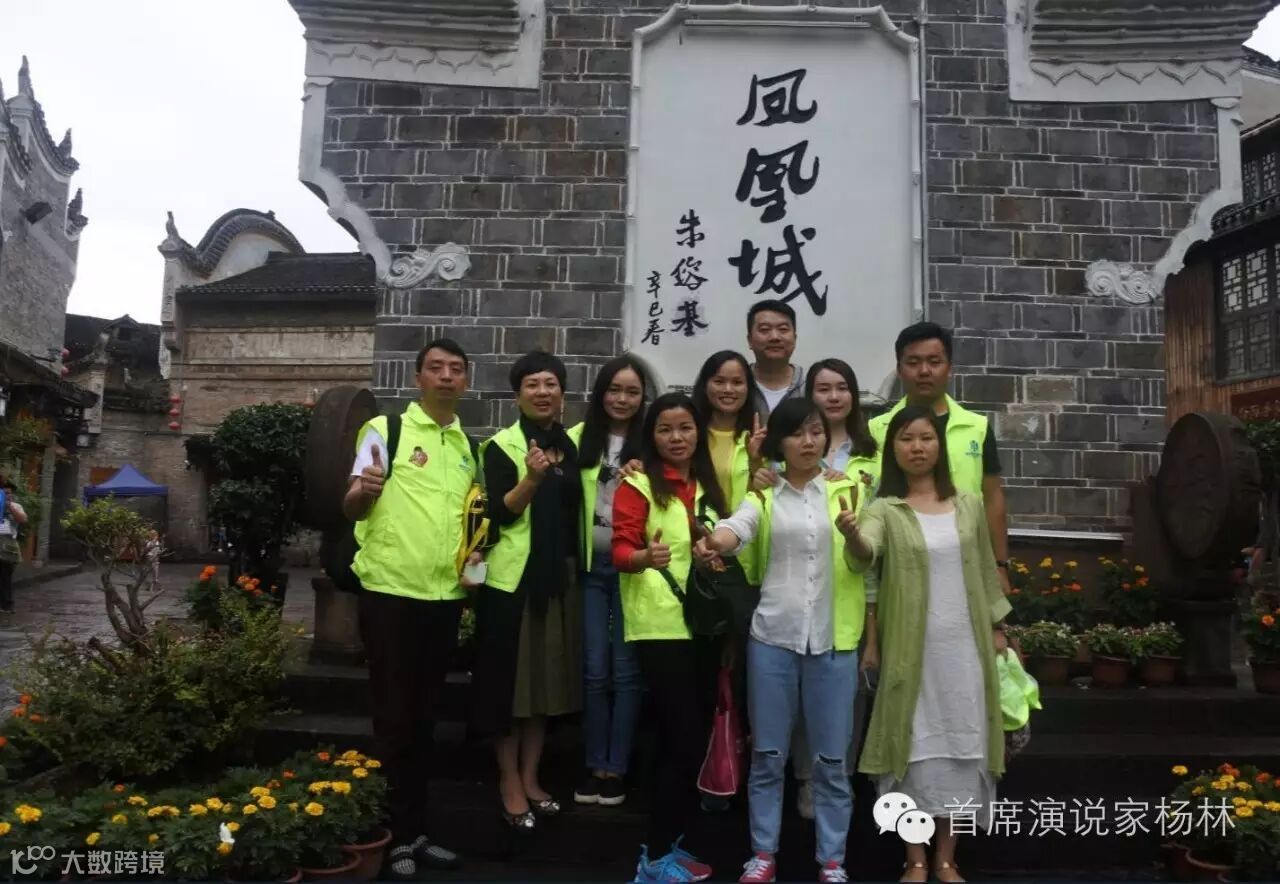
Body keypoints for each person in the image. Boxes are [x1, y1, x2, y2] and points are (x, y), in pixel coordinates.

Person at [694, 398, 869, 884]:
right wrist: (714, 541)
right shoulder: (765, 492)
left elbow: (865, 557)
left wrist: (854, 534)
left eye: (816, 432)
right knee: (769, 756)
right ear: (780, 443)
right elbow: (739, 527)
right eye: (797, 433)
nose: (809, 442)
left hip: (833, 641)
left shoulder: (847, 489)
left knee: (832, 761)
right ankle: (763, 854)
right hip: (772, 638)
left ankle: (832, 860)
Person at [844, 405, 1012, 884]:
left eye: (926, 438)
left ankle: (947, 859)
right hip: (910, 650)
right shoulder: (884, 508)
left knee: (963, 746)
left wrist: (999, 627)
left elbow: (985, 570)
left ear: (939, 446)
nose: (917, 447)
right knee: (912, 749)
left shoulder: (968, 504)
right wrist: (852, 536)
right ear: (892, 449)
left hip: (965, 648)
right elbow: (865, 556)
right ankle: (914, 858)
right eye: (906, 439)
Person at [343, 338, 477, 878]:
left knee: (425, 722)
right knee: (394, 720)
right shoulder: (385, 430)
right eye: (436, 368)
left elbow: (468, 521)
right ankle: (392, 836)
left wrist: (473, 562)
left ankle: (417, 832)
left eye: (456, 369)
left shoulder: (466, 446)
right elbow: (351, 503)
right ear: (418, 377)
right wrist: (366, 490)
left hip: (443, 599)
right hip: (391, 594)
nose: (446, 376)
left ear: (466, 381)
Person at [614, 392, 727, 884]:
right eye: (665, 429)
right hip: (661, 627)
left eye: (685, 428)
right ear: (651, 435)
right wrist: (645, 557)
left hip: (703, 625)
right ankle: (654, 858)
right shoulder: (638, 483)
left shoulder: (706, 485)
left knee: (680, 741)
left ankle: (668, 847)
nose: (676, 438)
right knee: (683, 743)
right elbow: (620, 551)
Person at [473, 350, 582, 833]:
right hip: (512, 582)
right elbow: (500, 513)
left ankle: (533, 776)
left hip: (559, 581)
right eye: (532, 384)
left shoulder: (572, 446)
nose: (542, 392)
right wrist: (532, 479)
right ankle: (509, 780)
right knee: (509, 689)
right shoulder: (501, 447)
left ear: (562, 393)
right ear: (517, 395)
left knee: (543, 686)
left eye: (550, 384)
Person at [790, 358, 882, 820]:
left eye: (842, 387)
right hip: (799, 584)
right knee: (804, 690)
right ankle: (807, 778)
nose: (833, 396)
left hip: (855, 581)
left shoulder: (872, 453)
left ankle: (839, 776)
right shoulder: (794, 447)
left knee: (848, 693)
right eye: (822, 388)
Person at [868, 322, 1011, 596]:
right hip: (899, 566)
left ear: (950, 368)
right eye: (913, 362)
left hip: (967, 560)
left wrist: (1000, 564)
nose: (924, 371)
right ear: (899, 369)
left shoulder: (977, 428)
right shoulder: (877, 430)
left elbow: (993, 497)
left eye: (934, 362)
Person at [567, 355, 648, 808]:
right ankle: (594, 762)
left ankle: (617, 768)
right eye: (614, 390)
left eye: (632, 391)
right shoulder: (578, 439)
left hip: (633, 567)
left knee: (626, 670)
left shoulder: (650, 442)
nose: (622, 399)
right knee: (595, 669)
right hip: (591, 569)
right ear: (600, 393)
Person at [691, 350, 766, 517]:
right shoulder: (689, 435)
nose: (728, 389)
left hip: (745, 530)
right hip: (695, 531)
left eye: (737, 382)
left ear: (748, 388)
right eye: (719, 381)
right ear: (705, 386)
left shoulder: (760, 439)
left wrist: (756, 463)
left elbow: (769, 496)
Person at [747, 300, 805, 415]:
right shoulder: (737, 384)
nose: (775, 337)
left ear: (795, 338)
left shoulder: (810, 386)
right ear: (749, 340)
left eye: (783, 329)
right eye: (765, 329)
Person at [0, 477, 28, 614]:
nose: (6, 495)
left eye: (8, 493)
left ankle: (7, 604)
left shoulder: (16, 506)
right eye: (4, 493)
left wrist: (9, 506)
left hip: (7, 547)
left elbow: (22, 519)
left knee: (5, 577)